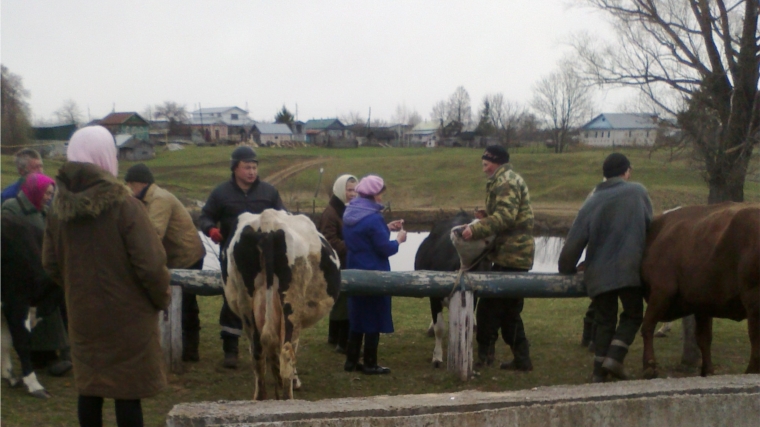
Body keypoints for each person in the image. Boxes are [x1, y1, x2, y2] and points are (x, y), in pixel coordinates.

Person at [42, 125, 170, 427]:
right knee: (127, 393)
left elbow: (49, 262)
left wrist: (78, 288)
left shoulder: (57, 210)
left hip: (83, 315)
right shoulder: (126, 207)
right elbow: (151, 265)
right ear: (105, 157)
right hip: (128, 319)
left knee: (90, 389)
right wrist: (160, 298)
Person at [558, 153, 653, 383]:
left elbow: (574, 241)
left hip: (598, 274)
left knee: (604, 320)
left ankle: (599, 373)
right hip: (630, 268)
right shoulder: (638, 192)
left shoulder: (592, 200)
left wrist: (566, 267)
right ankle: (615, 357)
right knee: (632, 315)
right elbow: (650, 226)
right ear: (626, 172)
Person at [198, 145, 285, 369]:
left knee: (269, 299)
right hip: (232, 256)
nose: (251, 171)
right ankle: (231, 349)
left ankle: (268, 344)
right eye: (247, 167)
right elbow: (205, 216)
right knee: (234, 300)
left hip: (266, 257)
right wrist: (211, 230)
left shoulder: (269, 192)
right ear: (235, 168)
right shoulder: (220, 193)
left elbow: (283, 217)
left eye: (254, 167)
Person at [462, 145, 535, 372]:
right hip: (512, 254)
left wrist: (476, 229)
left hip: (512, 254)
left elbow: (505, 216)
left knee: (488, 309)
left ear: (496, 162)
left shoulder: (506, 181)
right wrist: (487, 216)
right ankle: (521, 359)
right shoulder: (504, 180)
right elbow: (506, 214)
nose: (484, 169)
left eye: (486, 164)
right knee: (509, 312)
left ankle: (485, 357)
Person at [125, 163, 206, 362]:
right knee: (173, 302)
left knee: (186, 303)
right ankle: (172, 343)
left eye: (129, 184)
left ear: (139, 183)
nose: (127, 188)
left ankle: (190, 349)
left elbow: (153, 234)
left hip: (186, 257)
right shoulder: (147, 199)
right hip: (174, 258)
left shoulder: (159, 200)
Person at [2, 172, 72, 377]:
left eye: (51, 193)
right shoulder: (12, 209)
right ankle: (43, 357)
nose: (49, 197)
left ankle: (60, 353)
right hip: (22, 275)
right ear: (36, 190)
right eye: (46, 193)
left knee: (54, 309)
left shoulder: (45, 212)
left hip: (42, 272)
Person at [342, 175, 406, 375]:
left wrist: (385, 228)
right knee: (373, 317)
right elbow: (384, 249)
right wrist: (399, 240)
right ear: (373, 194)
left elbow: (364, 236)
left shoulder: (351, 212)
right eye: (380, 194)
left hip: (354, 268)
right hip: (374, 272)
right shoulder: (374, 218)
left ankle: (351, 361)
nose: (381, 198)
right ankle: (370, 363)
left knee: (358, 315)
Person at [319, 174, 358, 354]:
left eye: (355, 190)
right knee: (343, 302)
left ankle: (333, 337)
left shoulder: (343, 209)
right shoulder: (332, 213)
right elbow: (328, 240)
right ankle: (342, 342)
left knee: (341, 300)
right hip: (337, 263)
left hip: (343, 261)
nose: (352, 194)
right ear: (340, 190)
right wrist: (353, 244)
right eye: (349, 190)